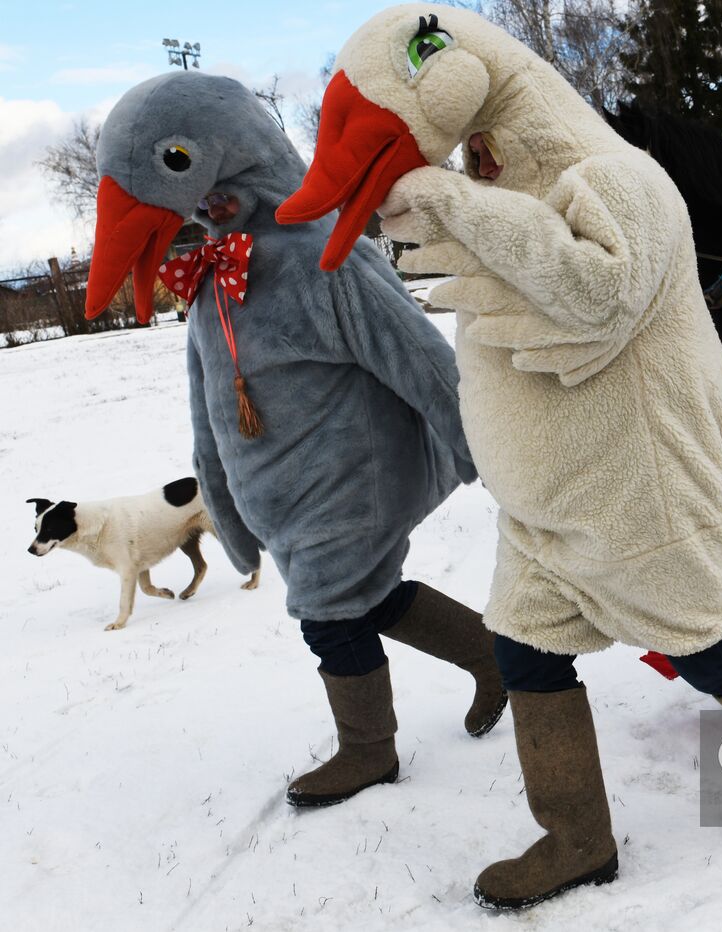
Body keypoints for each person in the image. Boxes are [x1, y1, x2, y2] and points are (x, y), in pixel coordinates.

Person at [278, 6, 722, 910]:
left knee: (697, 641)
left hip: (635, 489)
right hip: (544, 505)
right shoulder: (511, 183)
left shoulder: (621, 177)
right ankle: (576, 836)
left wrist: (454, 201)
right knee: (526, 651)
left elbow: (598, 294)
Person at [84, 72, 505, 809]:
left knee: (327, 612)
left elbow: (420, 356)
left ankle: (367, 751)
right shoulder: (220, 273)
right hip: (283, 493)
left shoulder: (322, 253)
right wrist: (222, 501)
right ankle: (493, 657)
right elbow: (207, 405)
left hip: (349, 479)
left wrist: (492, 454)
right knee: (368, 597)